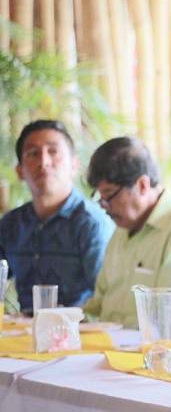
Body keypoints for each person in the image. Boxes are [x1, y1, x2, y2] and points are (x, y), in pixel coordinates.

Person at [82, 137, 171, 327]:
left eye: (109, 195)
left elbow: (168, 317)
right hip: (103, 341)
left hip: (145, 344)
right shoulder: (121, 228)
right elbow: (97, 305)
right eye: (100, 197)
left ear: (142, 185)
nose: (103, 206)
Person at [0, 120, 113, 314]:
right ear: (19, 171)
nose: (44, 162)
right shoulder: (11, 224)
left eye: (53, 151)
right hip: (25, 328)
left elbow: (106, 296)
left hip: (80, 328)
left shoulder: (92, 223)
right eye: (33, 153)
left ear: (74, 165)